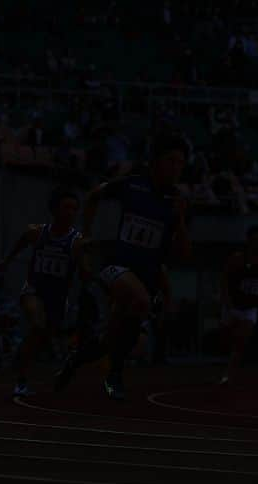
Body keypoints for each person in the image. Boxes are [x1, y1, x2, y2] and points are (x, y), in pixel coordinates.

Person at [54, 134, 190, 399]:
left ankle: (78, 359)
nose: (176, 168)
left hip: (147, 275)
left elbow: (184, 254)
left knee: (113, 338)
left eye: (181, 163)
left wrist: (181, 218)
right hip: (116, 267)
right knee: (140, 301)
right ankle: (114, 376)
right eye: (171, 161)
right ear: (155, 162)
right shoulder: (132, 185)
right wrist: (86, 234)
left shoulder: (177, 201)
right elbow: (94, 195)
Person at [0, 186, 86, 396]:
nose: (71, 212)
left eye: (75, 208)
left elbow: (85, 272)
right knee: (38, 325)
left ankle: (21, 355)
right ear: (54, 209)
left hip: (58, 298)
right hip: (34, 290)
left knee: (44, 336)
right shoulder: (36, 232)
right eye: (66, 207)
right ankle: (20, 380)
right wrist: (7, 260)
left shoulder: (77, 242)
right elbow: (21, 242)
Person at [219, 224, 258, 385]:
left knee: (241, 339)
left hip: (250, 308)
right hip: (233, 305)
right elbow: (224, 278)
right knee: (225, 339)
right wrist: (225, 299)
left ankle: (228, 374)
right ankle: (226, 365)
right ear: (249, 241)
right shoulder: (237, 258)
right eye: (255, 240)